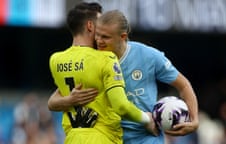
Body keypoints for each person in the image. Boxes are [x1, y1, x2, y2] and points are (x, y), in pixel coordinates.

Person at [48, 9, 199, 144]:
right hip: (112, 138)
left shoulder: (149, 56)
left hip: (146, 137)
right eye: (97, 35)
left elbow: (183, 85)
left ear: (123, 36)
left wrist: (194, 120)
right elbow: (54, 100)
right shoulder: (93, 59)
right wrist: (70, 99)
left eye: (105, 37)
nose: (99, 41)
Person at [48, 3, 157, 144]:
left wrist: (67, 101)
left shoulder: (56, 60)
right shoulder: (105, 58)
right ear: (90, 26)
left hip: (72, 138)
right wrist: (147, 119)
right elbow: (121, 106)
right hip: (102, 138)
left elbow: (55, 99)